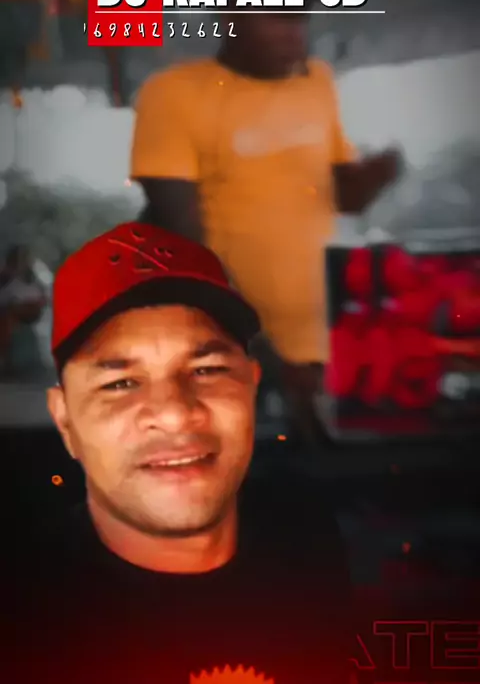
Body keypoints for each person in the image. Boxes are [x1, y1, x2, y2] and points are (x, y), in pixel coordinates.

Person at [2, 222, 353, 684]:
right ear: (65, 420)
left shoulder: (308, 539)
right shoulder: (23, 620)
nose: (174, 414)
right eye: (120, 383)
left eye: (207, 369)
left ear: (250, 387)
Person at [130, 0, 402, 446]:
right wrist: (262, 355)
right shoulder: (173, 94)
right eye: (276, 16)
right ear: (228, 17)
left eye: (300, 16)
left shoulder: (316, 81)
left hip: (320, 353)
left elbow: (343, 199)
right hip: (228, 352)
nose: (293, 32)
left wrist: (377, 176)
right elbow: (181, 242)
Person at [0, 245, 46, 375]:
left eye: (24, 259)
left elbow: (40, 297)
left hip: (28, 312)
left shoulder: (33, 278)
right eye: (18, 260)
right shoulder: (5, 278)